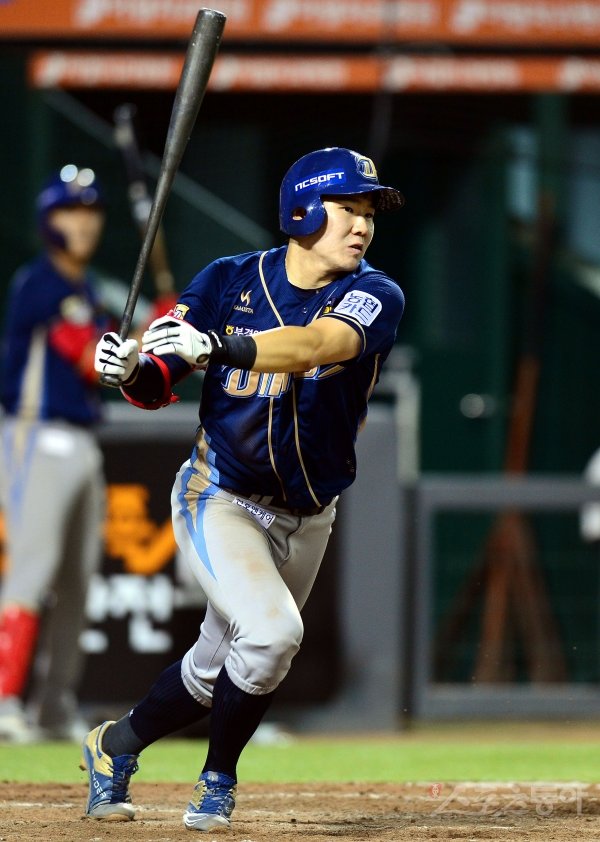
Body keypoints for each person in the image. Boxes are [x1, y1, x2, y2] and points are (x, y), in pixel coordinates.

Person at [87, 147, 405, 830]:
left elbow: (314, 345)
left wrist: (219, 348)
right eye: (348, 208)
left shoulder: (375, 293)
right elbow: (157, 383)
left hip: (310, 512)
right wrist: (132, 366)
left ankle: (112, 747)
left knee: (218, 663)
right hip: (221, 497)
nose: (362, 225)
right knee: (272, 634)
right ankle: (218, 780)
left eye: (369, 212)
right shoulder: (226, 280)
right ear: (304, 210)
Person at [0, 165, 108, 741]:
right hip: (35, 436)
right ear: (49, 220)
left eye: (90, 212)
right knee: (31, 569)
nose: (82, 223)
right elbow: (93, 359)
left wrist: (164, 326)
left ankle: (54, 706)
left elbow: (115, 359)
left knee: (78, 582)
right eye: (70, 211)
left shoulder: (87, 290)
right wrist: (150, 334)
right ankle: (3, 701)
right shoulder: (40, 284)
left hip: (84, 442)